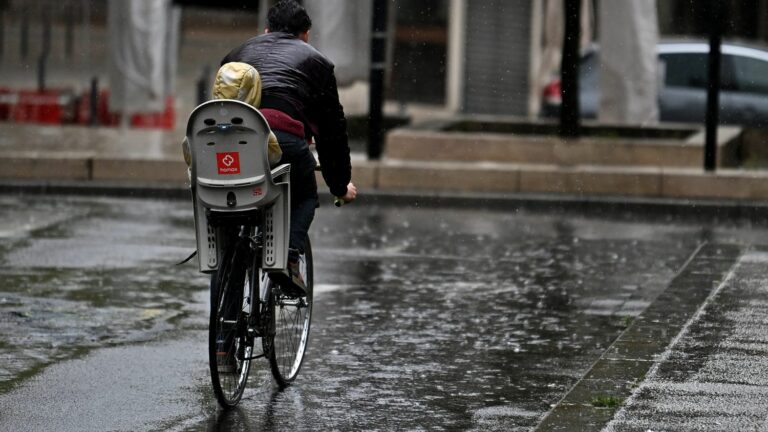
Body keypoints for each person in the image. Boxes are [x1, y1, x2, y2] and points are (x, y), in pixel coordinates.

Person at [221, 0, 357, 296]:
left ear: (266, 30)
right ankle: (288, 256)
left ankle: (221, 341)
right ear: (306, 35)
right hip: (284, 142)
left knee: (231, 234)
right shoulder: (317, 63)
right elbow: (333, 132)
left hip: (231, 145)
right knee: (304, 197)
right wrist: (338, 185)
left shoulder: (237, 54)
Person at [182, 62, 283, 168]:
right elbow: (274, 157)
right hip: (249, 181)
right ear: (253, 91)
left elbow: (189, 155)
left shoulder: (201, 121)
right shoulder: (256, 123)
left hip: (210, 183)